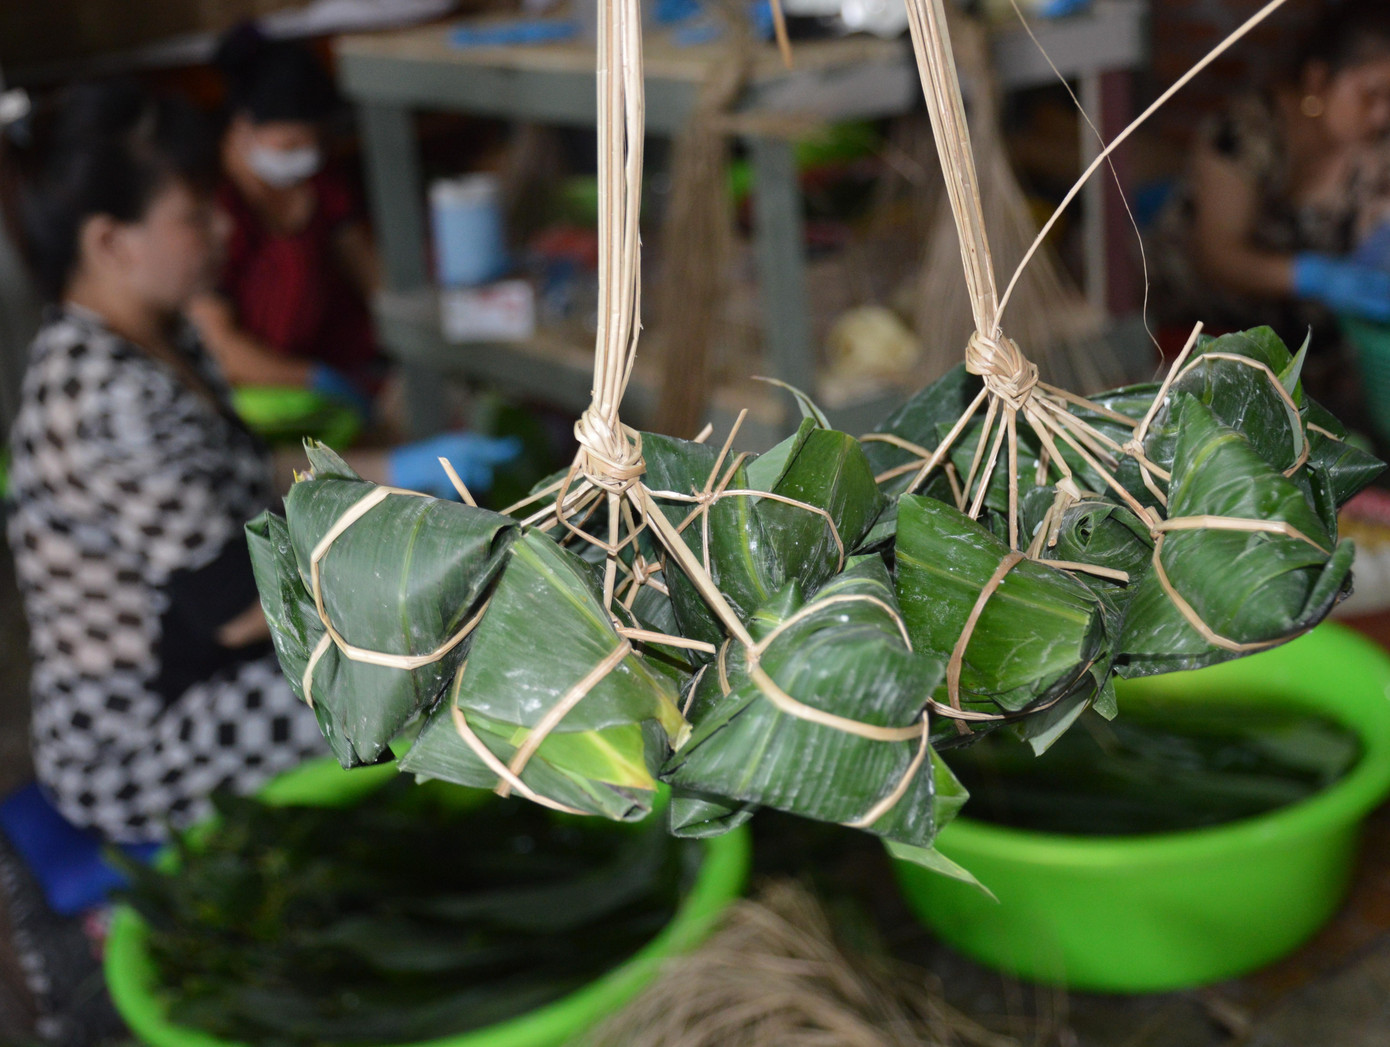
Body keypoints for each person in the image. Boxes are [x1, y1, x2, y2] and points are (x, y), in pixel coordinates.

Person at [1, 81, 518, 846]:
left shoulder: (158, 338)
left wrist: (398, 465)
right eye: (193, 215)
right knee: (434, 673)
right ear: (110, 242)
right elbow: (240, 612)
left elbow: (241, 471)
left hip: (205, 664)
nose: (220, 230)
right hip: (143, 734)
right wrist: (424, 574)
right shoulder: (106, 398)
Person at [1155, 0, 1390, 343]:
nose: (1382, 116)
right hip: (1201, 331)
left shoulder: (1374, 149)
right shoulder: (1244, 134)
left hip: (1312, 346)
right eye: (1370, 95)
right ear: (1319, 79)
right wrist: (1313, 276)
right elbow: (1217, 257)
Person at [187, 26, 380, 420]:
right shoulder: (212, 207)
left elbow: (369, 271)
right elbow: (221, 347)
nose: (306, 157)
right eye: (290, 146)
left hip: (344, 371)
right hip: (255, 397)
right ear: (242, 127)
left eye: (315, 144)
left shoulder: (320, 185)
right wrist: (315, 379)